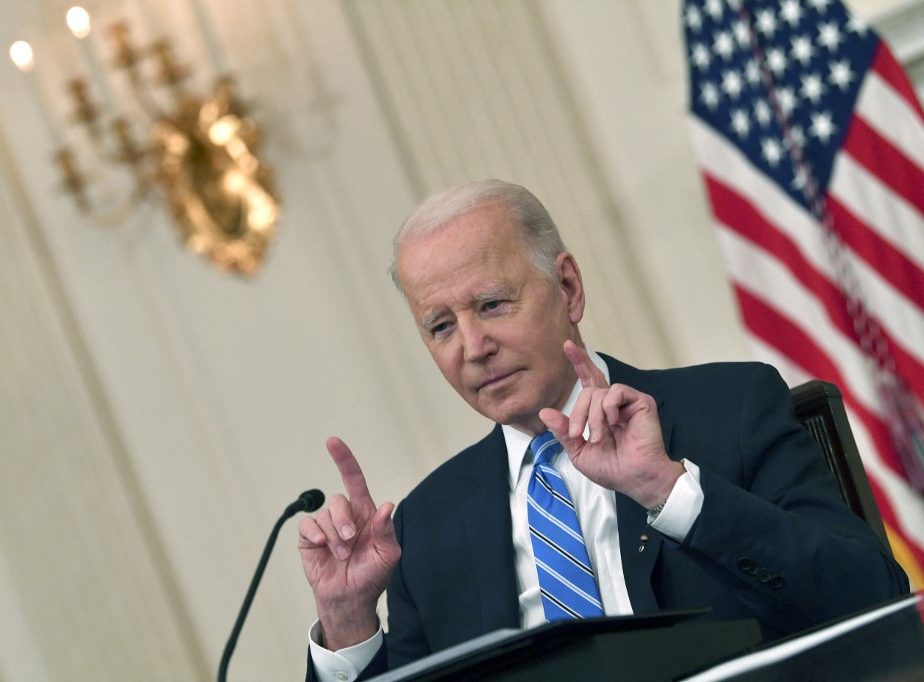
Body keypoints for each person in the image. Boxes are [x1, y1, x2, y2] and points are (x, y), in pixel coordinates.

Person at [298, 179, 909, 681]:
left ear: (568, 286)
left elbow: (873, 601)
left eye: (491, 305)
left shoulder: (730, 409)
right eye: (440, 326)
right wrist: (349, 625)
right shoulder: (424, 529)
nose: (473, 348)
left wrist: (671, 492)